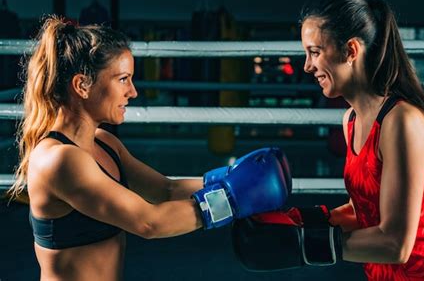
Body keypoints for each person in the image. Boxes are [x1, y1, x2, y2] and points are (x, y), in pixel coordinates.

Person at [8, 16, 290, 280]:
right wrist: (229, 200)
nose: (133, 92)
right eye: (122, 79)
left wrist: (230, 178)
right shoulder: (59, 160)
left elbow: (165, 190)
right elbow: (148, 222)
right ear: (82, 85)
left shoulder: (104, 143)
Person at [232, 0, 424, 280]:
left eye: (315, 52)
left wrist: (307, 245)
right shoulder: (352, 120)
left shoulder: (403, 122)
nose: (308, 66)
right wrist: (298, 221)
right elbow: (363, 212)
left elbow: (397, 244)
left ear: (351, 50)